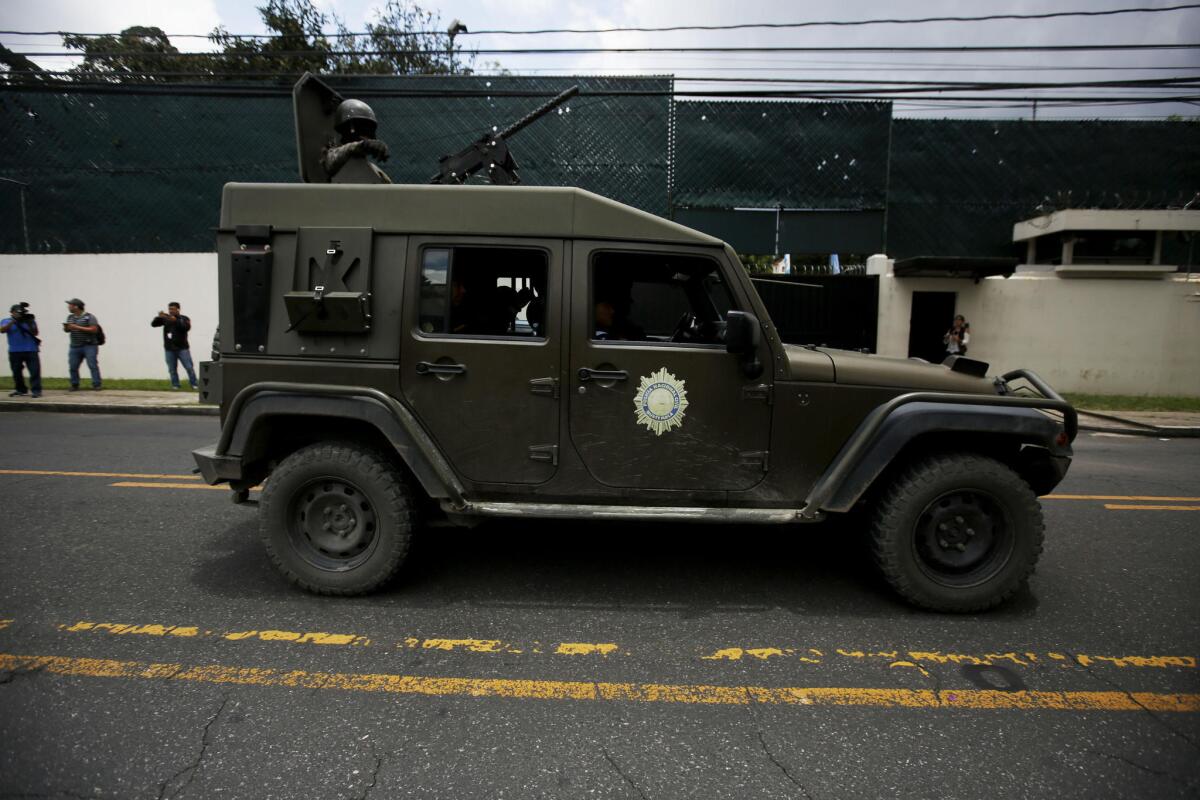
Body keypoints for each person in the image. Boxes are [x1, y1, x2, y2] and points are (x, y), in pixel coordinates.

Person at [152, 301, 198, 390]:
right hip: (169, 349)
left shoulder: (184, 318)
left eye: (173, 309)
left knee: (189, 367)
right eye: (169, 309)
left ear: (178, 309)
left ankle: (194, 384)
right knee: (172, 369)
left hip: (182, 348)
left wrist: (176, 321)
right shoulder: (165, 319)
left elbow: (186, 327)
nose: (171, 311)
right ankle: (175, 385)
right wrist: (158, 317)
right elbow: (154, 324)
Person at [2, 302, 42, 398]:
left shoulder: (28, 320)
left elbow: (36, 333)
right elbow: (2, 330)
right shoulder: (6, 320)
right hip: (14, 351)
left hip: (31, 349)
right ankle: (20, 390)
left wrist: (30, 321)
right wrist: (14, 321)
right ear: (11, 312)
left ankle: (36, 391)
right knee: (16, 372)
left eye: (20, 312)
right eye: (16, 312)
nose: (19, 314)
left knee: (34, 371)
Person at [63, 298, 102, 391]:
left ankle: (96, 384)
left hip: (89, 345)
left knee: (92, 365)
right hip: (74, 346)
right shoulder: (70, 317)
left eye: (70, 305)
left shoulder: (89, 317)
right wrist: (67, 328)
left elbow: (94, 329)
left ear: (76, 306)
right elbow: (67, 330)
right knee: (73, 366)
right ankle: (74, 384)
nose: (68, 307)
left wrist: (76, 327)